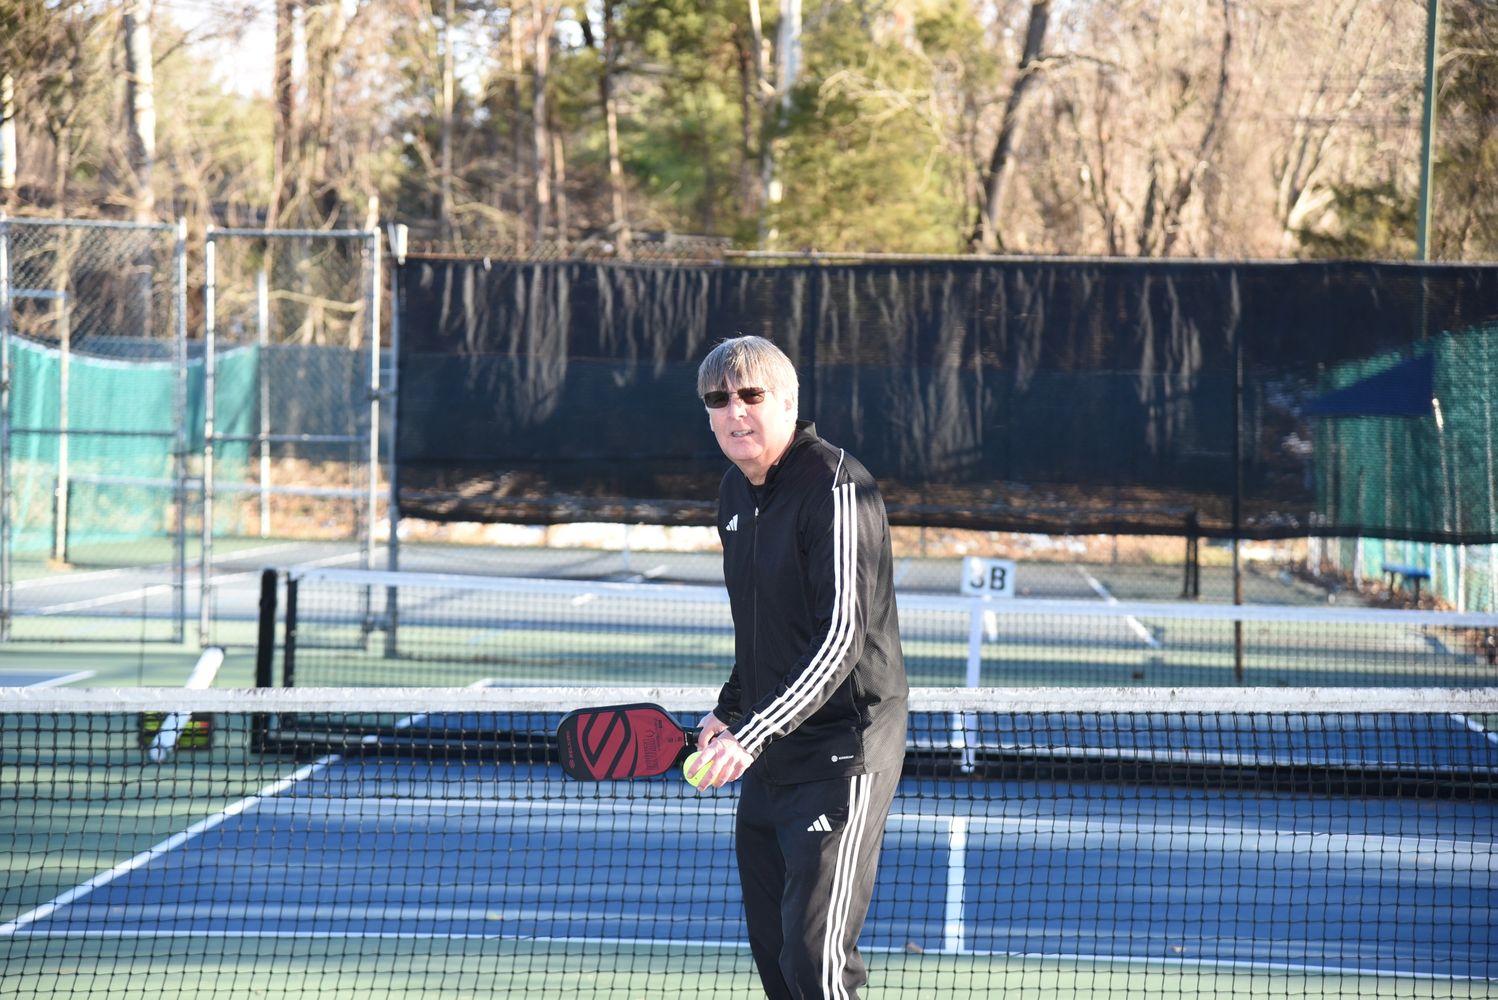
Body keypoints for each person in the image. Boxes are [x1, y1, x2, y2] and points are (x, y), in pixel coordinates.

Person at [688, 335, 909, 1000]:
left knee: (816, 961)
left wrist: (748, 734)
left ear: (786, 401)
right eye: (718, 400)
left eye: (750, 395)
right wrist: (730, 708)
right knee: (777, 958)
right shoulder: (734, 491)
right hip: (771, 751)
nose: (735, 412)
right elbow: (763, 630)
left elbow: (841, 637)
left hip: (845, 746)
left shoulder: (838, 488)